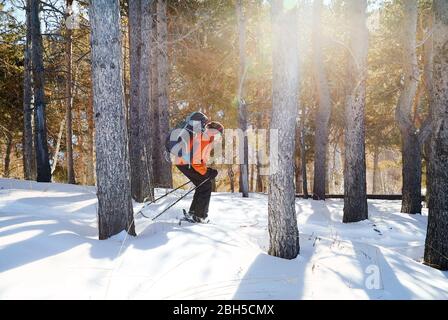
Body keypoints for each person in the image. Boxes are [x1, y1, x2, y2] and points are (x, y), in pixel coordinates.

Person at [166, 111, 224, 223]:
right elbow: (196, 162)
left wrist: (207, 172)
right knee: (206, 185)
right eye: (219, 134)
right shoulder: (204, 138)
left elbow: (199, 160)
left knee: (202, 184)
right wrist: (207, 173)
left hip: (183, 162)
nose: (219, 137)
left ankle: (194, 213)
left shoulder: (206, 138)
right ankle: (199, 216)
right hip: (185, 163)